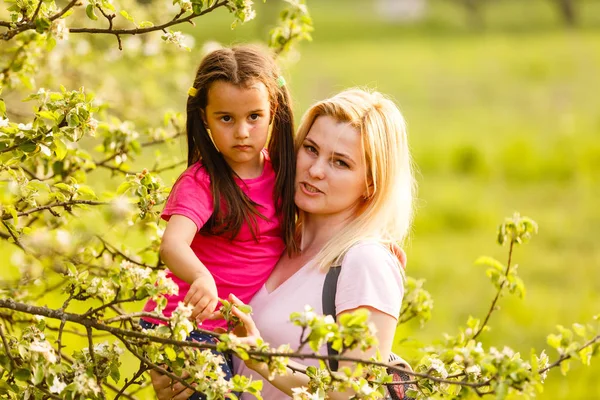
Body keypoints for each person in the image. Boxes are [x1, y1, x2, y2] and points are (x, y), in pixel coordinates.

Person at [152, 88, 415, 399]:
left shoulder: (365, 262)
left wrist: (265, 362)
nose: (315, 170)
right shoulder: (274, 244)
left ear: (372, 182)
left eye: (340, 163)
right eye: (311, 149)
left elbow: (351, 390)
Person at [140, 44, 297, 397]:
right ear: (204, 118)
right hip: (184, 324)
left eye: (254, 116)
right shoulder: (202, 182)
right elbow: (173, 243)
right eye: (226, 118)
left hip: (224, 331)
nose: (242, 131)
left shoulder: (283, 173)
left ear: (274, 112)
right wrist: (201, 276)